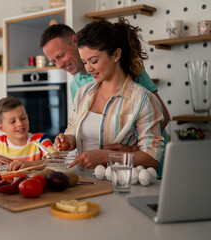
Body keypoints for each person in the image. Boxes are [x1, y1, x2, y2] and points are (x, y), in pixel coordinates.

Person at [41, 23, 169, 176]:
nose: (88, 69)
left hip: (127, 179)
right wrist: (66, 140)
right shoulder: (82, 91)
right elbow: (74, 129)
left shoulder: (141, 95)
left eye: (93, 61)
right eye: (84, 62)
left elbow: (153, 153)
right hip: (87, 181)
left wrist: (115, 154)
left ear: (116, 55)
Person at [0, 96, 57, 171]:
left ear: (27, 118)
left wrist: (29, 164)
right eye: (12, 122)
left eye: (23, 118)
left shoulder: (40, 140)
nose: (20, 124)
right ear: (1, 127)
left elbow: (55, 159)